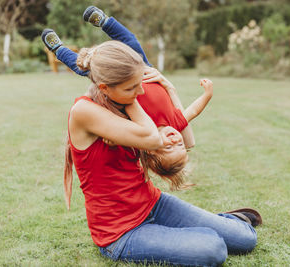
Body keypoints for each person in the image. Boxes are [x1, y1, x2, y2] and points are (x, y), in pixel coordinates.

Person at [41, 6, 261, 266]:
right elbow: (153, 139)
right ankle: (198, 233)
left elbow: (185, 139)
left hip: (153, 204)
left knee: (246, 238)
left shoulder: (126, 98)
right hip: (121, 232)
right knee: (213, 249)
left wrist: (162, 85)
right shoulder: (85, 111)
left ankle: (214, 225)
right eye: (132, 87)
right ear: (104, 87)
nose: (141, 93)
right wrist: (121, 91)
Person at [42, 6, 214, 190]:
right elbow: (193, 114)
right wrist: (207, 94)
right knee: (130, 40)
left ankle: (59, 50)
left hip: (120, 84)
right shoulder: (176, 123)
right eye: (180, 146)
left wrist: (114, 139)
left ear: (150, 148)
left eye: (169, 148)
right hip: (145, 69)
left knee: (86, 69)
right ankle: (104, 21)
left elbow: (116, 130)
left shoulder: (142, 129)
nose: (177, 141)